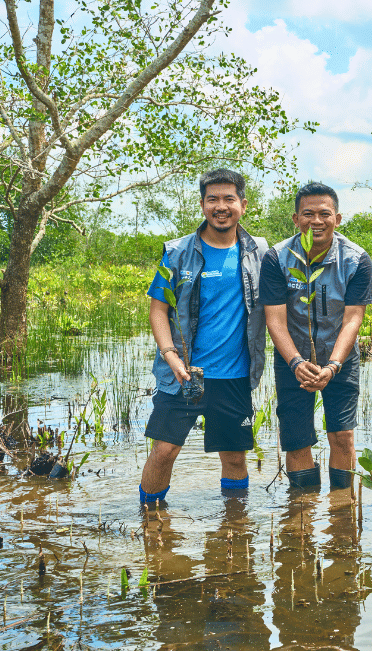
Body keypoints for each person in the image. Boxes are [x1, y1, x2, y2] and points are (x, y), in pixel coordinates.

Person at [140, 168, 268, 505]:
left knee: (235, 457)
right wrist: (171, 356)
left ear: (243, 204)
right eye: (213, 199)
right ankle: (151, 520)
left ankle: (235, 527)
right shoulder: (178, 252)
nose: (221, 206)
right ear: (202, 205)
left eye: (229, 199)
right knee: (165, 451)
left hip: (234, 376)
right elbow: (157, 311)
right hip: (183, 374)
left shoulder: (260, 253)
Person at [261, 183, 372, 490]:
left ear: (337, 219)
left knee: (342, 435)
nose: (317, 221)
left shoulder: (356, 259)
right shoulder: (277, 258)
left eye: (325, 214)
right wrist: (296, 362)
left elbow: (352, 319)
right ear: (296, 219)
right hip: (291, 357)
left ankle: (341, 511)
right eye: (308, 214)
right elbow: (275, 320)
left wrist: (333, 366)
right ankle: (302, 512)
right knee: (297, 440)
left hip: (340, 358)